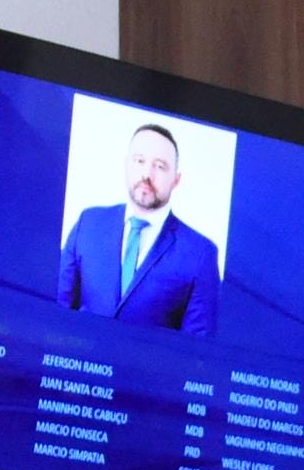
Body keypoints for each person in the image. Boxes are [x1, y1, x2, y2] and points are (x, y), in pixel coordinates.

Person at [56, 122, 223, 336]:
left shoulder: (201, 253)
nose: (147, 174)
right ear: (126, 165)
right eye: (139, 161)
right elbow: (57, 310)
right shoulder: (88, 222)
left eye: (160, 166)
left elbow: (195, 348)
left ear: (176, 180)